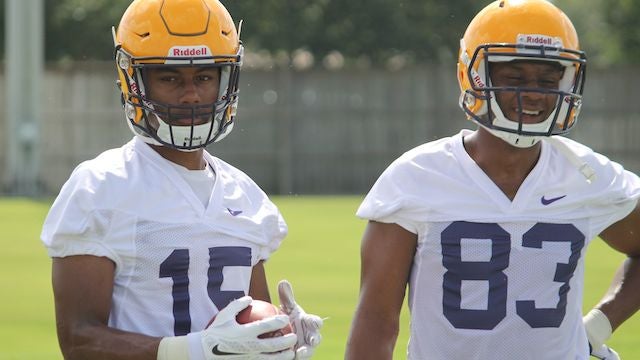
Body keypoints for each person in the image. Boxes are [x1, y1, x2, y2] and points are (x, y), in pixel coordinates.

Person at [345, 0, 640, 359]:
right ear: (475, 75)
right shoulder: (417, 177)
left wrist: (598, 325)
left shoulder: (585, 174)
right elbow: (376, 323)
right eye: (515, 78)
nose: (533, 92)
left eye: (548, 80)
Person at [40, 0, 322, 359]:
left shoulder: (246, 196)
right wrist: (192, 350)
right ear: (135, 80)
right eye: (170, 77)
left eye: (204, 77)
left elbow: (248, 329)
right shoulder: (101, 187)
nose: (191, 94)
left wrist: (281, 335)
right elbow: (79, 341)